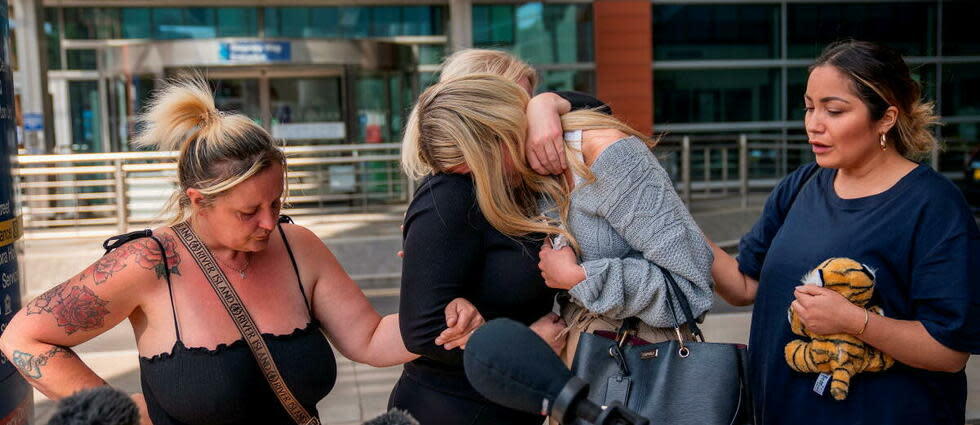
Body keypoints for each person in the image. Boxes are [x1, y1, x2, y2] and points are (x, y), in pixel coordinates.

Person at [0, 77, 482, 425]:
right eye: (249, 211)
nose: (269, 222)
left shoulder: (299, 246)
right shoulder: (148, 264)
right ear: (198, 202)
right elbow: (23, 337)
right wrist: (119, 410)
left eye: (277, 202)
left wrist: (442, 315)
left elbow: (372, 337)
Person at [709, 40, 979, 424]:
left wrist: (855, 321)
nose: (813, 124)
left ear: (885, 118)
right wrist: (672, 229)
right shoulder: (801, 184)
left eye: (834, 110)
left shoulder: (933, 205)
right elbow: (743, 286)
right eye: (809, 106)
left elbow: (949, 352)